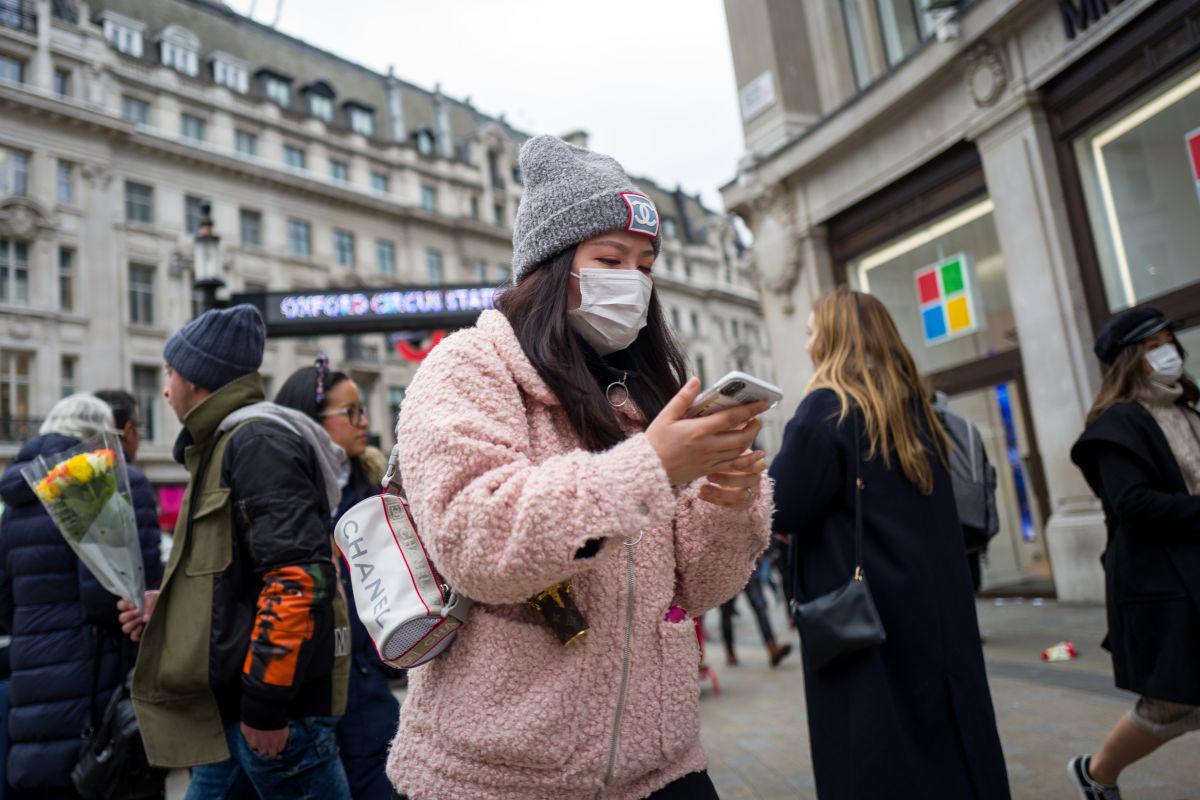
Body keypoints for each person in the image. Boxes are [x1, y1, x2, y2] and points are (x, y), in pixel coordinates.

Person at [389, 135, 772, 800]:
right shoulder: (468, 367)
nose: (634, 279)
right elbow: (478, 540)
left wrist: (725, 499)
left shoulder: (644, 390)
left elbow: (699, 586)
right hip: (498, 776)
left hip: (665, 765)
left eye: (646, 262)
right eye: (611, 258)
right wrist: (648, 465)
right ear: (553, 264)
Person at [769, 287, 1010, 799]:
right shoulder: (917, 409)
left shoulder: (825, 410)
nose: (809, 344)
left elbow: (782, 504)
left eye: (813, 332)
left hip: (865, 619)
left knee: (877, 752)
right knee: (949, 742)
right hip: (935, 610)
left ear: (832, 339)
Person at [116, 305, 352, 799]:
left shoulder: (256, 442)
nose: (164, 388)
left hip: (275, 719)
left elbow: (296, 578)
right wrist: (170, 609)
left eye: (170, 372)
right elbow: (234, 578)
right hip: (237, 712)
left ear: (198, 378)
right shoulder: (227, 443)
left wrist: (266, 707)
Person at [0, 394, 163, 798]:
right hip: (98, 702)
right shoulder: (107, 479)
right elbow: (125, 599)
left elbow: (4, 605)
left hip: (30, 702)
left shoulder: (18, 499)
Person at [1068, 306, 1200, 800]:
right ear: (1130, 360)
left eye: (1169, 341)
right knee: (1169, 704)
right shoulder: (1116, 427)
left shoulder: (1185, 411)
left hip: (1192, 568)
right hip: (1161, 582)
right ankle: (1097, 772)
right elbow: (1134, 505)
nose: (1167, 353)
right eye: (1152, 346)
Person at [275, 357, 399, 800]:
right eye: (350, 412)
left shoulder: (373, 488)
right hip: (303, 699)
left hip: (367, 687)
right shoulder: (279, 495)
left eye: (361, 409)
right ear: (310, 422)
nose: (363, 422)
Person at [96, 389, 163, 562]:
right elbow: (148, 563)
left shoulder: (66, 479)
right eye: (138, 427)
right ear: (127, 430)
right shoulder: (132, 482)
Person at [717, 559, 792, 667]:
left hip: (747, 564)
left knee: (760, 607)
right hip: (727, 569)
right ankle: (730, 652)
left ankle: (772, 648)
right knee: (726, 612)